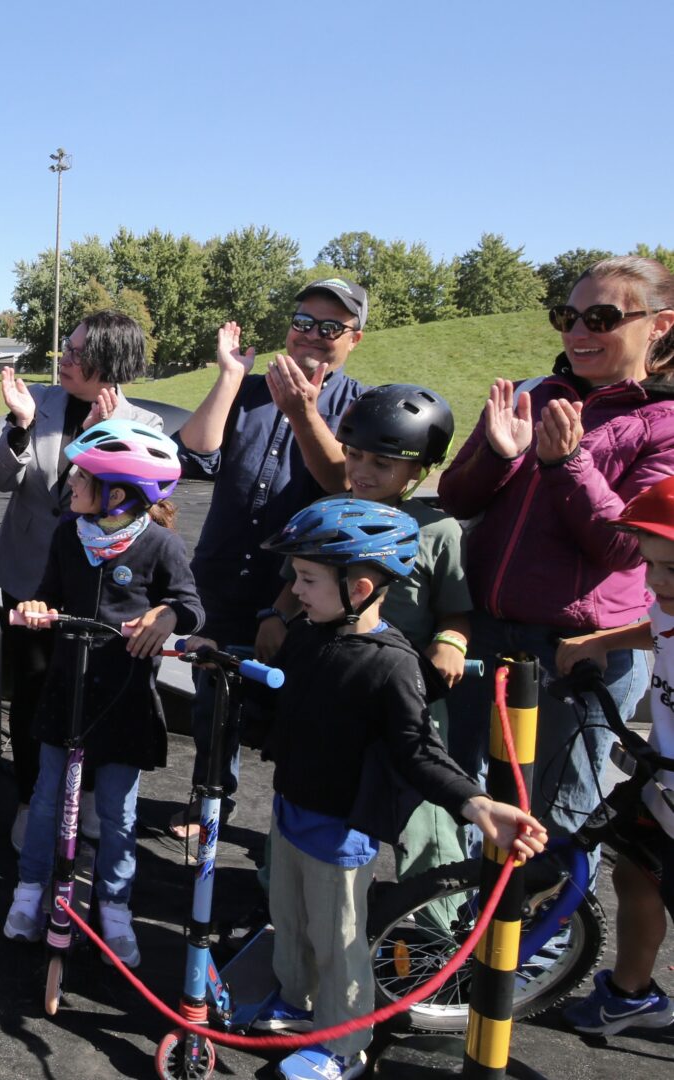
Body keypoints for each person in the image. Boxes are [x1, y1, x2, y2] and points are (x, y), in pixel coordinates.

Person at [188, 498, 547, 1080]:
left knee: (339, 941)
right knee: (290, 919)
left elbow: (417, 748)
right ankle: (299, 1001)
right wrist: (224, 666)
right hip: (290, 808)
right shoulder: (309, 634)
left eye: (307, 579)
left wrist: (474, 802)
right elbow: (279, 698)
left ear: (358, 587)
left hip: (340, 830)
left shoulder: (392, 665)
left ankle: (344, 1043)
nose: (295, 591)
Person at [438, 255, 674, 837]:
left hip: (580, 654)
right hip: (489, 637)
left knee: (559, 820)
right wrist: (499, 454)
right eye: (566, 316)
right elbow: (457, 499)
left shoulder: (665, 420)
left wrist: (567, 464)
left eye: (600, 317)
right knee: (473, 802)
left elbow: (627, 550)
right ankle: (464, 925)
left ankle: (553, 933)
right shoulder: (531, 393)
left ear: (660, 325)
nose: (577, 332)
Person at [170, 279, 370, 839]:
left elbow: (345, 483)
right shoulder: (251, 391)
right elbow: (197, 453)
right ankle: (211, 800)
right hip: (222, 574)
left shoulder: (359, 406)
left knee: (297, 712)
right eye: (303, 321)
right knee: (214, 701)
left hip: (302, 592)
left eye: (330, 328)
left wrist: (304, 411)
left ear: (354, 338)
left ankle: (288, 828)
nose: (311, 336)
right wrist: (229, 377)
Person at [260, 385, 470, 905]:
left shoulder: (438, 531)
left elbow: (456, 610)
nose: (362, 470)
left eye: (383, 461)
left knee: (426, 818)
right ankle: (282, 900)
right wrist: (275, 615)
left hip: (404, 689)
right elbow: (295, 580)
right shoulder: (329, 511)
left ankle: (433, 928)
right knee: (306, 792)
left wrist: (451, 641)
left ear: (419, 469)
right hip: (331, 686)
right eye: (354, 455)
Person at [2, 420, 202, 965]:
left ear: (117, 492)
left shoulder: (160, 545)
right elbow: (46, 593)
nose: (70, 483)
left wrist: (167, 615)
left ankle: (114, 909)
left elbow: (190, 604)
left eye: (81, 477)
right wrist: (38, 608)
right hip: (65, 695)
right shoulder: (70, 535)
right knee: (46, 801)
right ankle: (28, 893)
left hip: (124, 703)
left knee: (115, 814)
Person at [0, 311, 167, 851]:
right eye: (65, 348)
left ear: (109, 361)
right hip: (27, 576)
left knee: (92, 689)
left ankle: (83, 793)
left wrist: (98, 442)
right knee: (35, 689)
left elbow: (115, 508)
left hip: (96, 591)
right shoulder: (38, 403)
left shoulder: (145, 426)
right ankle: (28, 799)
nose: (62, 359)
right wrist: (18, 425)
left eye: (76, 352)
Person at [556, 475, 674, 1034]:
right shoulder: (669, 604)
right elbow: (659, 631)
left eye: (669, 569)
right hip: (664, 779)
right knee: (634, 873)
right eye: (649, 565)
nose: (655, 581)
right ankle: (630, 996)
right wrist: (601, 641)